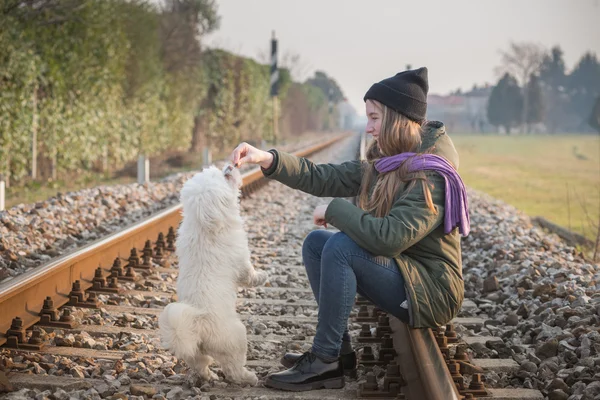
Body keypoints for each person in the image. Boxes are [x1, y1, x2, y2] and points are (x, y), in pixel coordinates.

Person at [229, 67, 468, 392]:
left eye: (374, 118)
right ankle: (336, 353)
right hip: (409, 272)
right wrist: (268, 159)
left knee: (342, 247)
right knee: (317, 243)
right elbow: (324, 176)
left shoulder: (430, 174)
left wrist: (335, 210)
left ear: (397, 118)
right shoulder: (393, 161)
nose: (367, 128)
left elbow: (389, 238)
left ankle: (324, 362)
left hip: (431, 291)